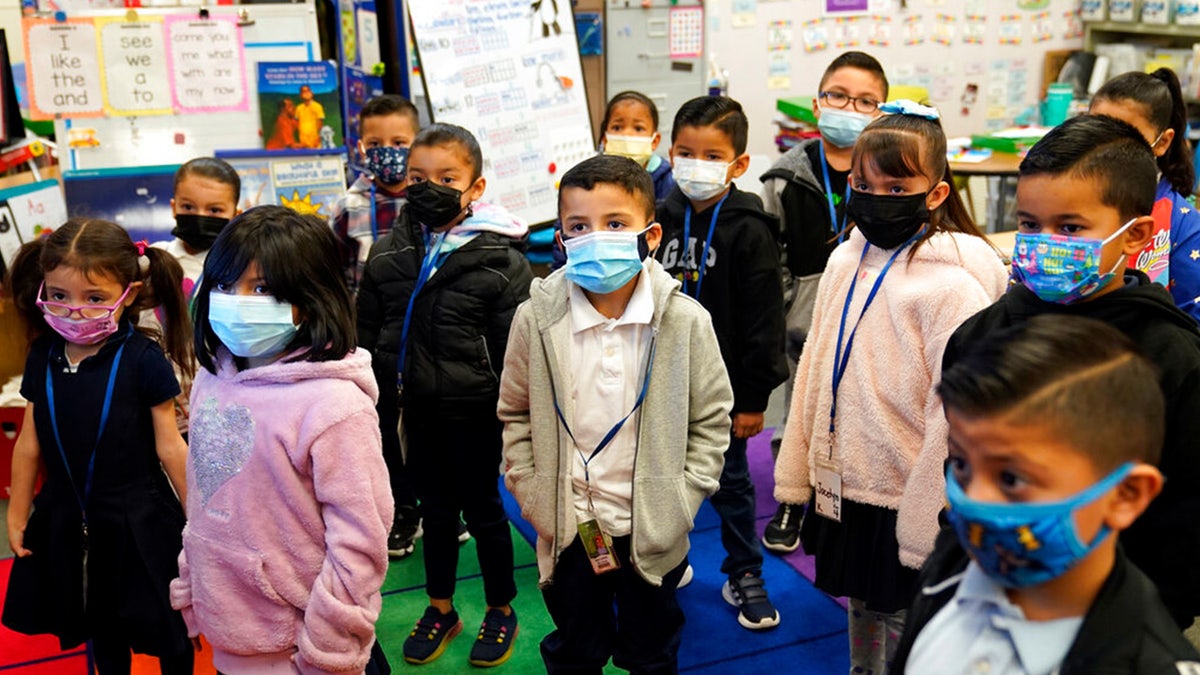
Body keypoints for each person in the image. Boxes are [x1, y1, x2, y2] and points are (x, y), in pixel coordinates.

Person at [775, 102, 1008, 673]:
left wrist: (925, 518)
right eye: (861, 183)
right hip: (846, 480)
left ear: (935, 193)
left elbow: (954, 417)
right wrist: (799, 467)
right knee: (861, 609)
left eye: (896, 184)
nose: (875, 196)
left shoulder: (954, 290)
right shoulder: (845, 258)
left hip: (908, 496)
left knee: (913, 623)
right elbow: (813, 366)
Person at [942, 113, 1200, 629]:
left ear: (1136, 235)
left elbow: (1185, 523)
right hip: (980, 590)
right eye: (1029, 225)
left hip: (1114, 614)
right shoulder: (978, 336)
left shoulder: (1175, 359)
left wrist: (1144, 623)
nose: (1043, 243)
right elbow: (959, 474)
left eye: (1070, 228)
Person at [499, 154, 733, 673]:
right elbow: (514, 412)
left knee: (651, 649)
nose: (595, 236)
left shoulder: (685, 321)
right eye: (579, 226)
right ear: (560, 240)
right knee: (577, 647)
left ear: (649, 236)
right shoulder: (535, 319)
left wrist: (682, 498)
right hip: (570, 525)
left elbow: (712, 418)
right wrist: (532, 492)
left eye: (615, 224)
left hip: (651, 530)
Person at [892, 315, 1200, 673]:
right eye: (962, 465)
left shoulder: (1151, 664)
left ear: (1125, 495)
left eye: (1010, 478)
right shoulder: (951, 565)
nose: (974, 500)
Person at [170, 205, 393, 674]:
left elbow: (360, 543)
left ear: (309, 298)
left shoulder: (334, 407)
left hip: (305, 649)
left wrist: (328, 651)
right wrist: (193, 588)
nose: (238, 300)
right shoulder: (214, 379)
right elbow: (206, 497)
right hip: (231, 635)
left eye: (263, 287)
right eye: (227, 285)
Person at [357, 123, 533, 667]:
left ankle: (501, 609)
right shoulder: (387, 255)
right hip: (413, 414)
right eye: (418, 177)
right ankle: (442, 607)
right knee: (434, 514)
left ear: (475, 188)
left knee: (484, 514)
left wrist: (514, 419)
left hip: (476, 414)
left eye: (446, 178)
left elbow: (517, 354)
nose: (428, 186)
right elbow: (367, 333)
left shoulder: (502, 263)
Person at [3, 218, 194, 673]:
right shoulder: (43, 356)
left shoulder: (143, 359)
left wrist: (199, 525)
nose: (74, 312)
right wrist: (16, 514)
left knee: (167, 629)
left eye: (94, 299)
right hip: (70, 519)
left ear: (127, 294)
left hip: (140, 521)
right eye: (59, 296)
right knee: (100, 626)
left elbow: (172, 449)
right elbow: (30, 441)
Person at [655, 95, 789, 630]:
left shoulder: (749, 229)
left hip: (724, 392)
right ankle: (667, 561)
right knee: (662, 480)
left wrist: (754, 399)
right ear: (669, 152)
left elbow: (765, 321)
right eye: (685, 152)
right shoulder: (656, 217)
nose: (695, 164)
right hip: (661, 384)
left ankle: (744, 572)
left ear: (737, 164)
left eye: (711, 155)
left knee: (730, 484)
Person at [758, 51, 889, 553]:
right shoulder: (784, 178)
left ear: (880, 111)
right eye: (838, 95)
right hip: (803, 321)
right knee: (798, 411)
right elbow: (774, 261)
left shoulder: (888, 173)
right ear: (817, 103)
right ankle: (791, 501)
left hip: (871, 315)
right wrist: (790, 310)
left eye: (864, 100)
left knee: (859, 413)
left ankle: (846, 503)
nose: (848, 107)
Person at [1089, 67, 1200, 323]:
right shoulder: (1071, 198)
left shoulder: (1182, 223)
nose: (1106, 148)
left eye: (1126, 137)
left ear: (1162, 142)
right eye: (1096, 129)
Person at [147, 157, 241, 439]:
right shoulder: (151, 260)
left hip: (218, 400)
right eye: (189, 207)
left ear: (235, 214)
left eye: (214, 210)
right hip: (158, 400)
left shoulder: (241, 269)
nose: (200, 215)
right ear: (173, 206)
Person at [549, 90, 676, 271]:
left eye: (638, 128)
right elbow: (564, 231)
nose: (627, 135)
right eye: (617, 127)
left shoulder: (666, 182)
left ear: (654, 140)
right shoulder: (585, 180)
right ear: (604, 137)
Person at [332, 94, 421, 293]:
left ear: (418, 144)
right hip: (366, 319)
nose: (387, 151)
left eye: (398, 143)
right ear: (361, 148)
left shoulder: (431, 200)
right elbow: (336, 277)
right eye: (374, 144)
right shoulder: (348, 207)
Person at [296, 85, 326, 149]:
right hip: (303, 142)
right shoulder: (299, 108)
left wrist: (318, 138)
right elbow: (297, 123)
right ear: (300, 95)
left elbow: (320, 123)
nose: (306, 93)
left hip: (315, 142)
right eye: (304, 91)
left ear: (312, 93)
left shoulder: (318, 106)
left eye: (308, 90)